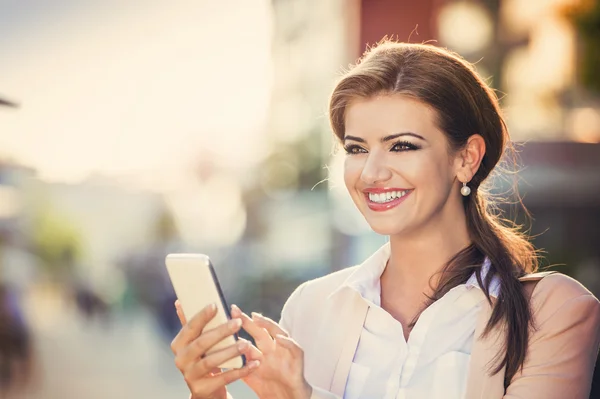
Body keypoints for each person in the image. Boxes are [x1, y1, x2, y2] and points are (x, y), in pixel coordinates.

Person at [169, 41, 600, 399]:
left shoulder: (554, 311)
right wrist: (211, 394)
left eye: (402, 146)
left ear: (466, 158)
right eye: (357, 149)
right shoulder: (311, 307)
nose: (371, 172)